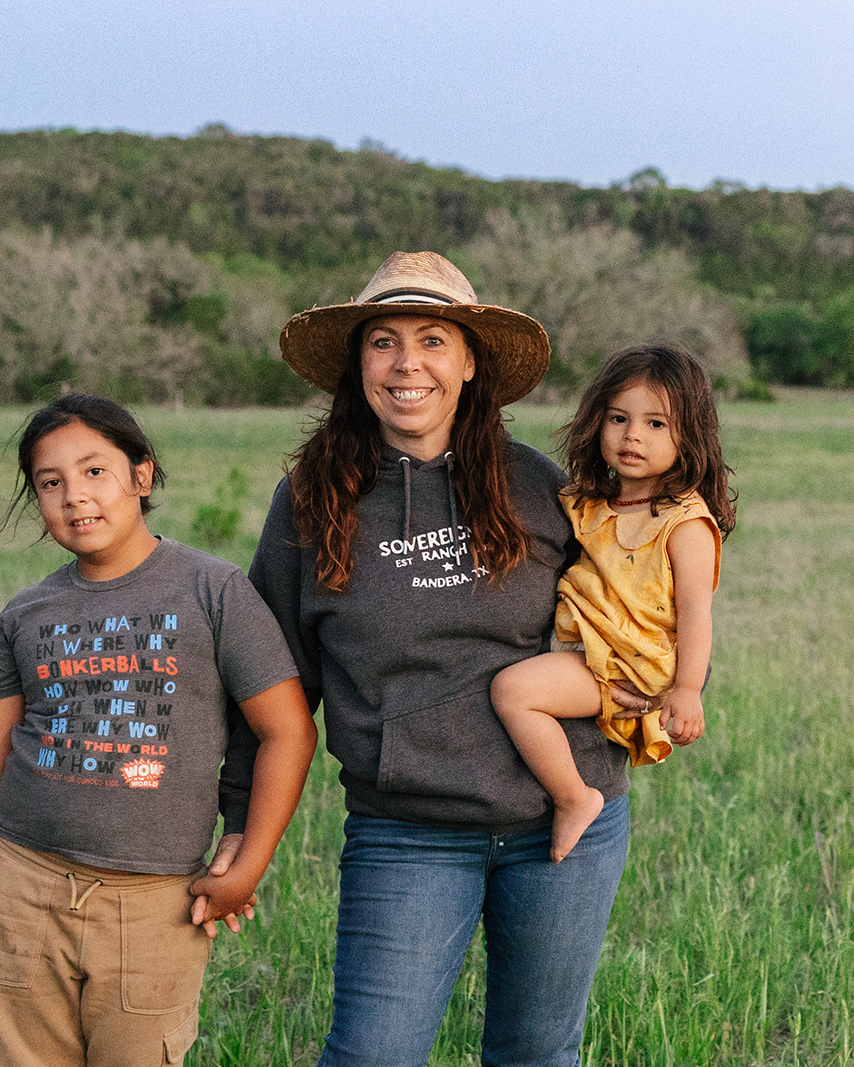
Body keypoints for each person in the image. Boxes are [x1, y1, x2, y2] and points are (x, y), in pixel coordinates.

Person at [224, 251, 657, 1066]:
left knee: (536, 1052)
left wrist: (655, 681)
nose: (407, 363)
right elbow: (270, 683)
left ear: (468, 363)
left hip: (565, 821)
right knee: (371, 1055)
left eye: (432, 340)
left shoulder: (539, 487)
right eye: (383, 341)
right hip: (406, 830)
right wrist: (238, 825)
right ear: (358, 365)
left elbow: (630, 607)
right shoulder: (311, 498)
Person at [0, 394, 317, 1067]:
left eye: (95, 471)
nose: (75, 495)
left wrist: (248, 865)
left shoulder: (214, 591)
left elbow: (289, 732)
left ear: (141, 474)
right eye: (50, 482)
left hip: (155, 905)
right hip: (18, 892)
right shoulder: (25, 615)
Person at [492, 344, 734, 862]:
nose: (632, 436)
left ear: (690, 436)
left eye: (656, 424)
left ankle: (574, 797)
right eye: (618, 418)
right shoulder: (594, 502)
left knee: (513, 691)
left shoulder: (684, 523)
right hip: (593, 648)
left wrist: (687, 689)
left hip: (627, 662)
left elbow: (696, 612)